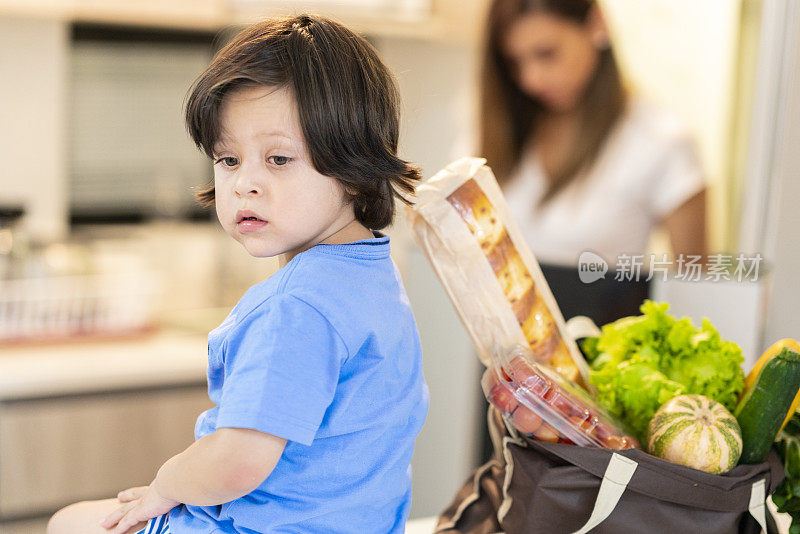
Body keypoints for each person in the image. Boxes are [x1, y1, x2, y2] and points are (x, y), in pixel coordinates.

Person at [47, 14, 429, 534]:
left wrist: (166, 483)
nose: (245, 183)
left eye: (277, 158)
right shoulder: (375, 276)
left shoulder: (296, 306)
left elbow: (236, 462)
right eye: (228, 159)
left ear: (355, 169)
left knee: (71, 522)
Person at [479, 0, 707, 327]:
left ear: (597, 24)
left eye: (547, 53)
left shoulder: (663, 142)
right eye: (515, 62)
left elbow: (696, 290)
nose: (530, 79)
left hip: (603, 365)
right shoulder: (497, 132)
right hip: (499, 367)